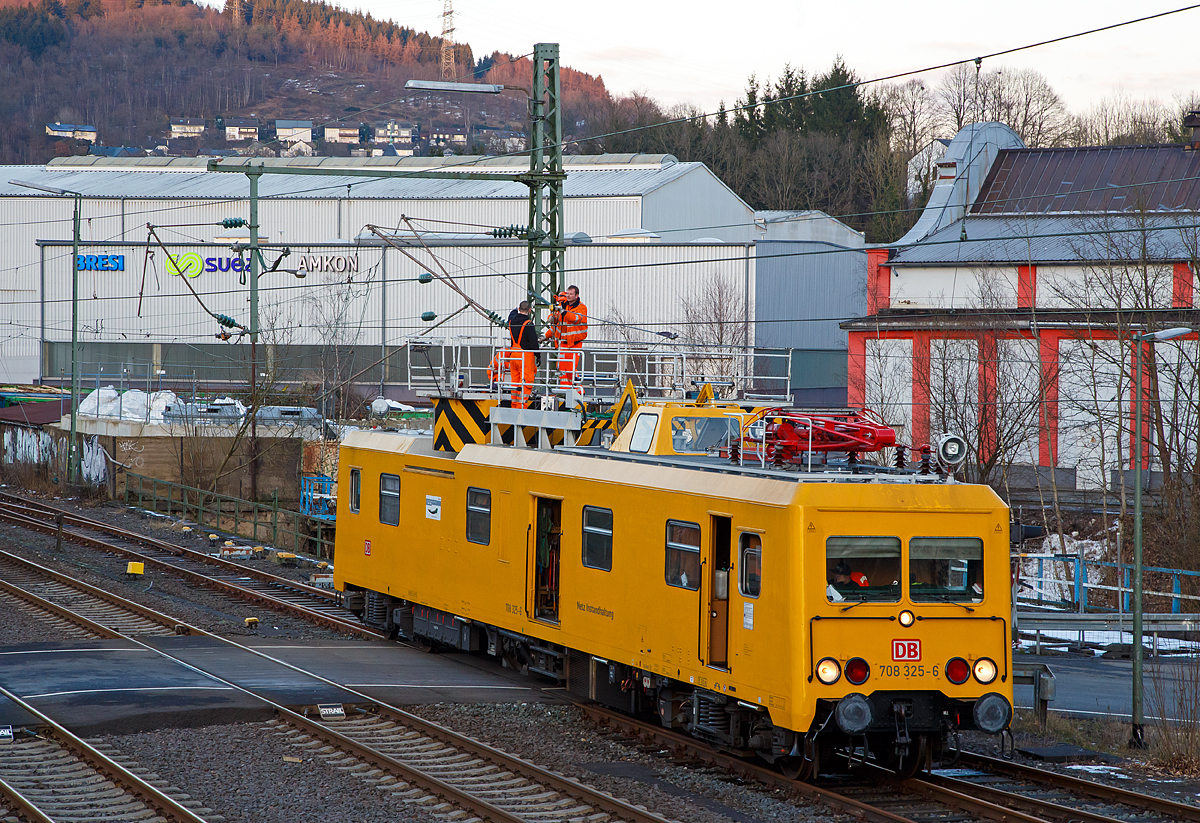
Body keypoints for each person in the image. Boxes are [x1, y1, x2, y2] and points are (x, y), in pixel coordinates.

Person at [545, 285, 587, 388]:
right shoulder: (564, 306)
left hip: (574, 343)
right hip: (562, 343)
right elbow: (556, 326)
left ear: (576, 296)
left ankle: (577, 391)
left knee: (570, 368)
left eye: (571, 294)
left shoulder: (581, 307)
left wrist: (563, 312)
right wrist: (551, 318)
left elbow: (575, 318)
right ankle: (565, 391)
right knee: (561, 369)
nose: (568, 296)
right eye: (567, 293)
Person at [504, 300, 540, 408]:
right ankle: (521, 405)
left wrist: (514, 310)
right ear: (529, 310)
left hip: (513, 355)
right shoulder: (528, 324)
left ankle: (514, 404)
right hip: (525, 356)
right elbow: (534, 343)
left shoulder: (511, 321)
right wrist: (538, 356)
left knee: (515, 381)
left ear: (519, 309)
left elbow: (511, 314)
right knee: (526, 381)